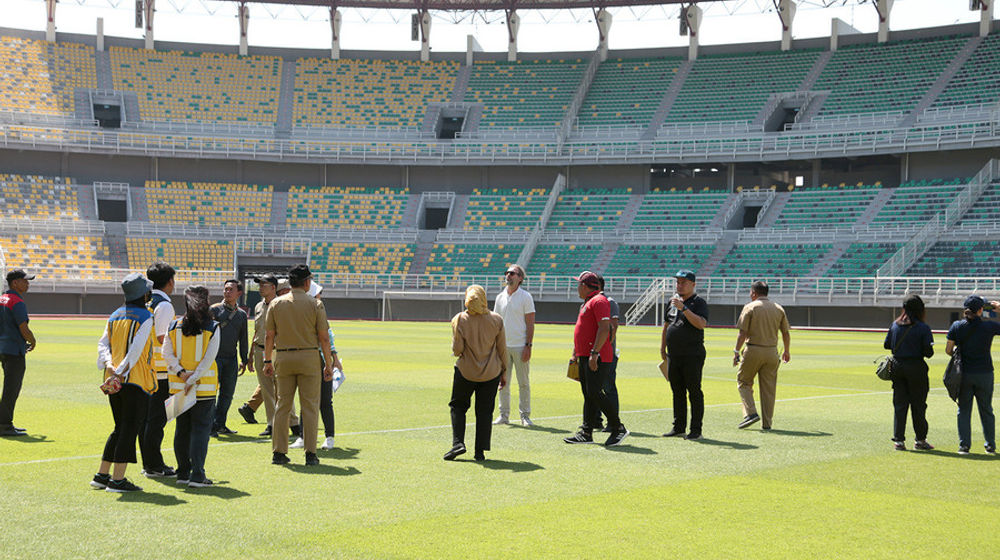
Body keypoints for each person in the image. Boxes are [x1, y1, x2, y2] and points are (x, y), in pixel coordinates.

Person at [91, 273, 158, 493]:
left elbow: (103, 345)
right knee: (130, 427)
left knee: (120, 427)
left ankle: (102, 475)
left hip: (113, 379)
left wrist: (110, 366)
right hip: (134, 380)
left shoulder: (115, 315)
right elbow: (137, 350)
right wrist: (121, 371)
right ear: (143, 294)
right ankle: (117, 480)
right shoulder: (146, 316)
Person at [263, 265, 334, 466]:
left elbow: (269, 336)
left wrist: (268, 360)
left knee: (282, 405)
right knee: (310, 406)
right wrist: (328, 365)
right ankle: (310, 453)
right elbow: (324, 339)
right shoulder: (316, 304)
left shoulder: (276, 303)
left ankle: (278, 452)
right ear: (307, 282)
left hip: (284, 357)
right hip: (309, 357)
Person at [162, 285, 220, 487]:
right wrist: (193, 379)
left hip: (178, 387)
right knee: (200, 431)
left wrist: (181, 373)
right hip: (203, 389)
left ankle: (183, 473)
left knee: (182, 430)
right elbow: (208, 360)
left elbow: (166, 355)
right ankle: (197, 474)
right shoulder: (213, 327)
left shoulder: (173, 326)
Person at [563, 271, 628, 447]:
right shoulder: (589, 302)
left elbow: (605, 328)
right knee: (589, 394)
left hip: (597, 356)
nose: (577, 287)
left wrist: (594, 353)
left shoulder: (598, 301)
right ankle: (586, 431)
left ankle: (617, 426)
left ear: (585, 286)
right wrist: (578, 353)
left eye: (578, 284)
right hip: (587, 354)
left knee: (594, 392)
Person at [445, 285, 507, 461]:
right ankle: (479, 451)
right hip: (491, 373)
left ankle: (458, 443)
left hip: (466, 371)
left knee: (458, 406)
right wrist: (504, 372)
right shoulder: (496, 320)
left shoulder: (459, 319)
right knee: (485, 412)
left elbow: (457, 350)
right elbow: (502, 349)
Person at [237, 275, 301, 439]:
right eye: (260, 285)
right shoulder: (258, 306)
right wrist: (251, 356)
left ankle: (294, 424)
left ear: (273, 287)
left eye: (264, 285)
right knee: (267, 390)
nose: (260, 287)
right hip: (259, 351)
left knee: (283, 390)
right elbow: (257, 332)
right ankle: (272, 424)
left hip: (277, 351)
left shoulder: (283, 305)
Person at [733, 280, 791, 432]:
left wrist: (736, 351)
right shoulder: (778, 308)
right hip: (772, 351)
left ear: (754, 293)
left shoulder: (750, 307)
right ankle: (767, 423)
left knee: (743, 381)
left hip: (753, 349)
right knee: (768, 389)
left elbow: (742, 333)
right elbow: (785, 332)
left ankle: (750, 413)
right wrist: (786, 350)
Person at [946, 295, 1000, 455]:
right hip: (985, 373)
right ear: (981, 310)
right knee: (986, 410)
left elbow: (949, 350)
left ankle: (964, 446)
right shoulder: (989, 326)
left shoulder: (957, 326)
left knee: (963, 410)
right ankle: (990, 445)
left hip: (964, 374)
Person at [660, 270, 708, 440]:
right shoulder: (672, 301)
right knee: (677, 391)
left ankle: (696, 430)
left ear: (693, 285)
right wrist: (662, 347)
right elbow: (667, 325)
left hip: (692, 354)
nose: (679, 285)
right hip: (674, 354)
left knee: (694, 391)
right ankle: (678, 426)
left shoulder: (698, 302)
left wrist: (684, 308)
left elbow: (701, 324)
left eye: (684, 282)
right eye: (678, 282)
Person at [139, 262, 177, 477]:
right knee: (157, 420)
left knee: (148, 419)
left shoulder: (145, 301)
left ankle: (149, 462)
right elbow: (164, 338)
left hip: (146, 369)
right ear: (170, 281)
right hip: (161, 371)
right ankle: (154, 464)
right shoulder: (164, 305)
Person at [883, 294, 934, 451]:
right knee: (918, 405)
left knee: (900, 405)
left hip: (897, 367)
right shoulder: (923, 327)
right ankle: (920, 440)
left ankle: (898, 440)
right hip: (916, 367)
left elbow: (886, 345)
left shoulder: (895, 325)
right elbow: (929, 353)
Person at [492, 264, 536, 427]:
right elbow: (495, 322)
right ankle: (504, 415)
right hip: (503, 347)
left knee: (523, 382)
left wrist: (528, 346)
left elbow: (530, 323)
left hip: (520, 346)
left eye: (513, 273)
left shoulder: (526, 297)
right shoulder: (500, 297)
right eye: (507, 273)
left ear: (520, 278)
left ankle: (525, 415)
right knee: (502, 383)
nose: (508, 276)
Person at [210, 279, 249, 436]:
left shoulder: (241, 315)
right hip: (214, 358)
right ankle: (211, 425)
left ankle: (220, 424)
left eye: (231, 289)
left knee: (227, 394)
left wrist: (244, 359)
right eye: (225, 289)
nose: (227, 292)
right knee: (211, 393)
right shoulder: (214, 310)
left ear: (239, 293)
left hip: (231, 359)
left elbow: (243, 338)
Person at [0, 269, 36, 437]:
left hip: (2, 348)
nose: (27, 283)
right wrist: (33, 340)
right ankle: (5, 426)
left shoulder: (1, 299)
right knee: (11, 389)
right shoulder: (17, 302)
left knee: (8, 388)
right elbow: (24, 328)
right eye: (24, 280)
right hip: (14, 350)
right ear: (15, 283)